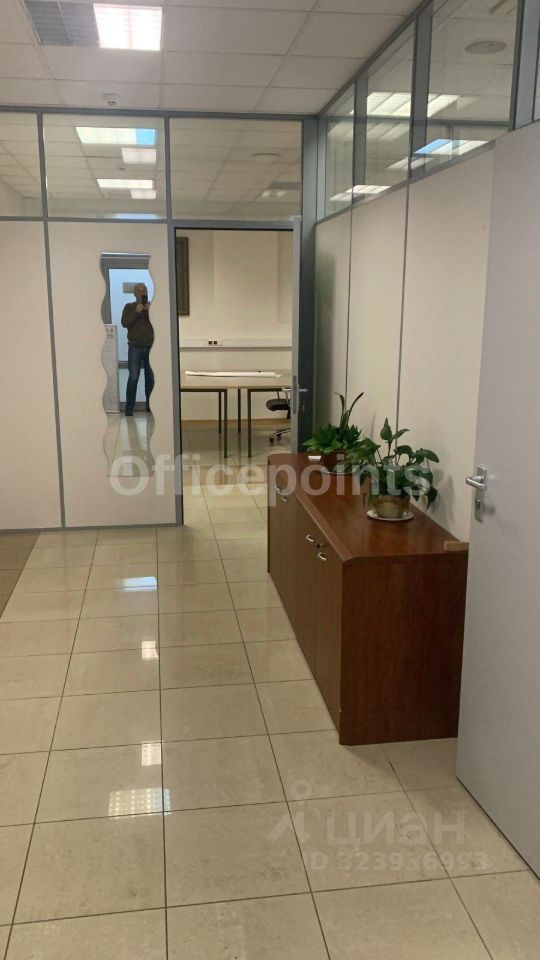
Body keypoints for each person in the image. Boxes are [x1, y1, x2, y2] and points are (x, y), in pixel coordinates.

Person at [121, 283, 155, 417]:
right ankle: (129, 408)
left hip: (151, 346)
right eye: (139, 291)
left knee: (150, 377)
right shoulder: (129, 307)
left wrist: (150, 311)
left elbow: (160, 323)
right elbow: (124, 323)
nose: (142, 293)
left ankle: (150, 407)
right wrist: (136, 311)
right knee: (133, 376)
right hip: (135, 346)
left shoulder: (153, 307)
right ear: (134, 294)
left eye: (144, 291)